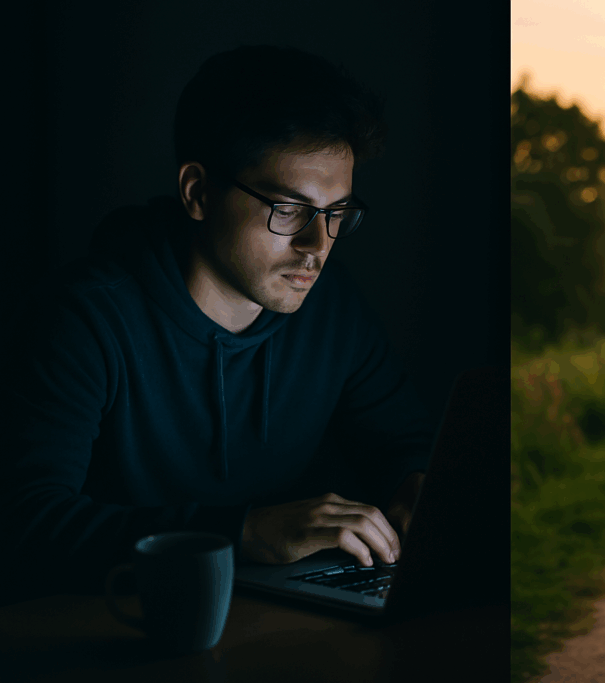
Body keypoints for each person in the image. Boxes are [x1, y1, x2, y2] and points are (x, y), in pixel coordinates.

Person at [0, 45, 434, 607]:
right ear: (198, 193)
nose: (316, 247)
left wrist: (417, 486)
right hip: (113, 629)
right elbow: (26, 521)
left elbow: (403, 441)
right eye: (289, 209)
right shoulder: (86, 319)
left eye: (335, 215)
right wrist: (240, 533)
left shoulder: (331, 310)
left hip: (278, 628)